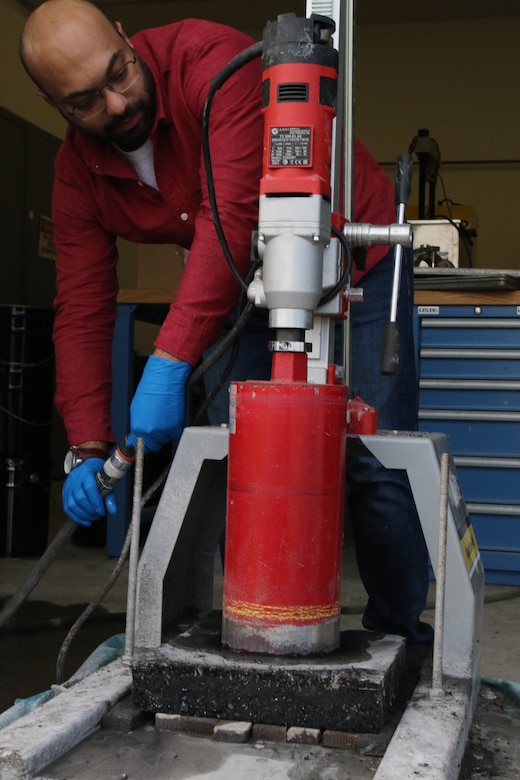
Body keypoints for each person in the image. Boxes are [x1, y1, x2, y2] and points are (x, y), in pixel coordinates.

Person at [20, 0, 433, 648]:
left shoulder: (211, 65)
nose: (118, 103)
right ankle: (249, 629)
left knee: (375, 465)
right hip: (250, 287)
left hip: (357, 263)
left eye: (119, 73)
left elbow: (231, 213)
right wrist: (88, 444)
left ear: (127, 39)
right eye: (86, 101)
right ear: (54, 105)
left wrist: (169, 358)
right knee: (230, 456)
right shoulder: (77, 174)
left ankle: (401, 637)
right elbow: (82, 305)